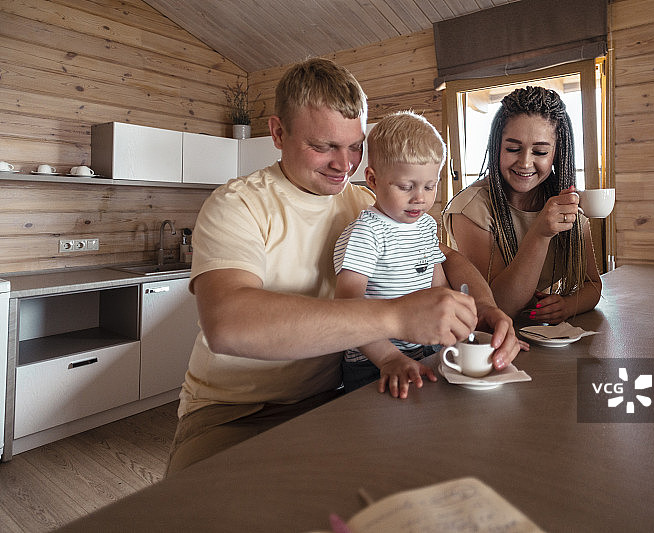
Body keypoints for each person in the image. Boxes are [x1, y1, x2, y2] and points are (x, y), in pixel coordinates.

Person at [166, 58, 520, 475]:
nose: (344, 164)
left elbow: (447, 256)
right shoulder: (238, 204)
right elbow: (227, 324)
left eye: (354, 146)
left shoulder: (362, 202)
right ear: (278, 133)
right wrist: (396, 317)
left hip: (332, 396)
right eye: (323, 146)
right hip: (232, 413)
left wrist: (486, 308)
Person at [443, 86, 602, 326]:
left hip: (547, 337)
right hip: (488, 335)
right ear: (497, 147)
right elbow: (499, 306)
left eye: (540, 151)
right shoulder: (470, 209)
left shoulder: (566, 206)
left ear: (556, 155)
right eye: (513, 149)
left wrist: (568, 306)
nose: (525, 162)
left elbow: (593, 285)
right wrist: (540, 233)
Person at [334, 111, 449, 397]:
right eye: (406, 187)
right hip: (373, 360)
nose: (420, 197)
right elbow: (348, 308)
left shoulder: (425, 225)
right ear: (372, 179)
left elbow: (439, 288)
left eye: (429, 186)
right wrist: (388, 357)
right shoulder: (366, 232)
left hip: (424, 350)